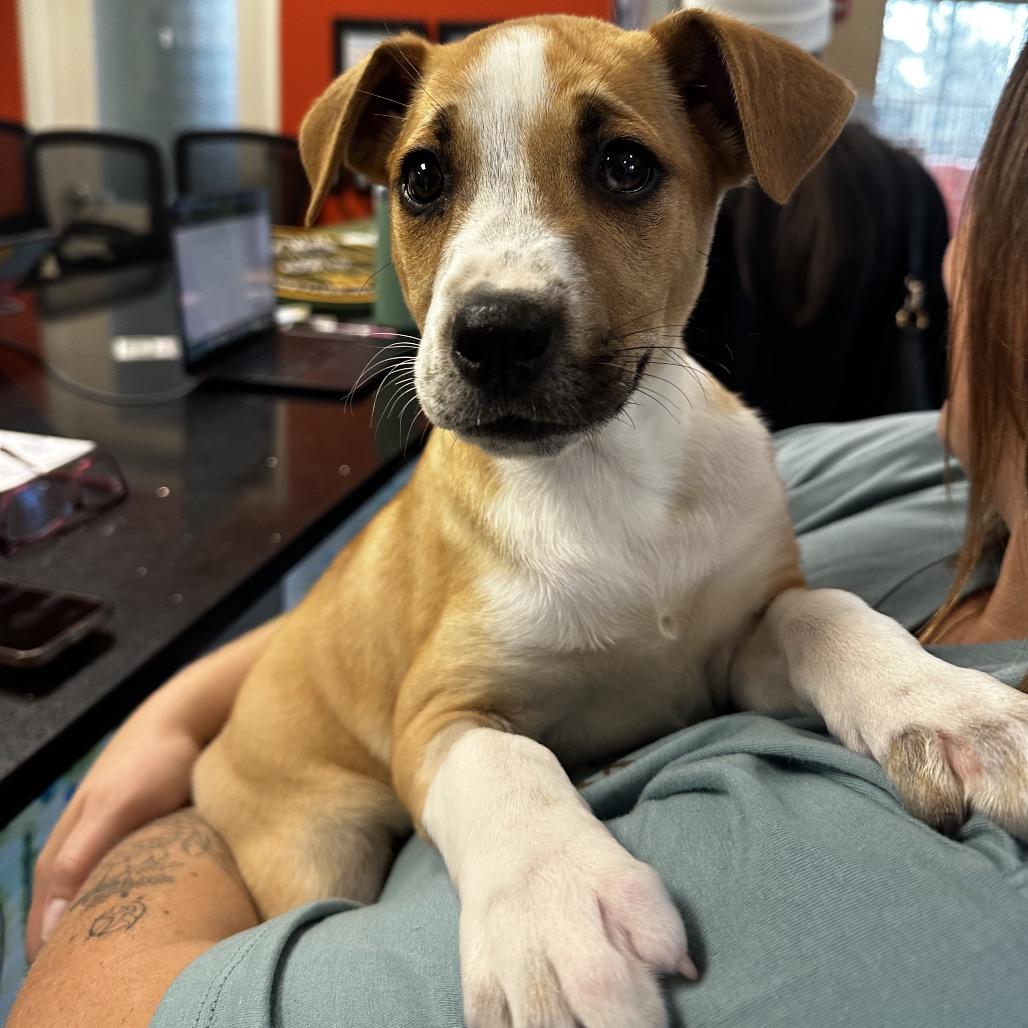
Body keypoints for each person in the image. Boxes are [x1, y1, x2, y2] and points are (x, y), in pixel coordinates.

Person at [11, 39, 1028, 1028]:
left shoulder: (745, 471)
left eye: (620, 168)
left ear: (719, 148)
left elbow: (743, 635)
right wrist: (185, 716)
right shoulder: (888, 472)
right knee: (315, 875)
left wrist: (844, 647)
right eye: (425, 181)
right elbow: (433, 711)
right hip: (295, 779)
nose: (495, 290)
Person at [682, 0, 951, 430]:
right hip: (863, 483)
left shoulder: (658, 186)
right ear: (840, 10)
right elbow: (937, 364)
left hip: (692, 483)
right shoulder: (908, 187)